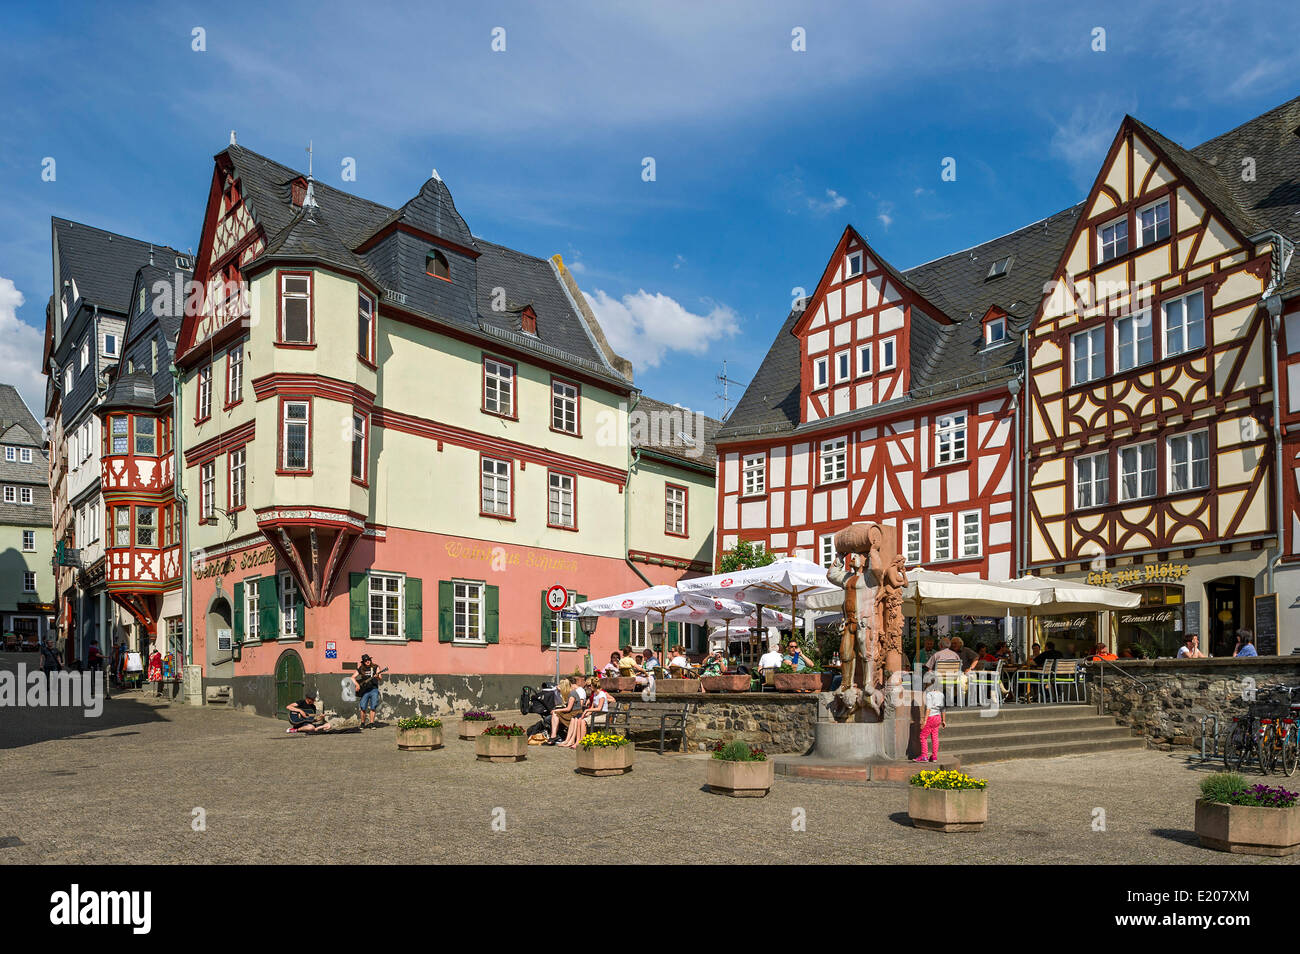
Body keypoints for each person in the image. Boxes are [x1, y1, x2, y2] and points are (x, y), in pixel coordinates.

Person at [915, 675, 946, 762]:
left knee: (923, 737)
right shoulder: (941, 694)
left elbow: (928, 708)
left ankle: (924, 756)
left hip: (931, 717)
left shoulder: (929, 694)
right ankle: (934, 756)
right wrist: (944, 720)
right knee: (935, 737)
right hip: (938, 717)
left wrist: (925, 720)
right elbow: (943, 708)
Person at [548, 675, 586, 744]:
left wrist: (557, 710)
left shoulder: (572, 693)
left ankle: (553, 736)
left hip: (575, 713)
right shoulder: (570, 692)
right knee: (555, 714)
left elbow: (568, 709)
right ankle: (553, 735)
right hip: (572, 712)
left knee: (555, 713)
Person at [353, 654, 384, 728]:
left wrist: (377, 677)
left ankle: (372, 723)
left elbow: (380, 678)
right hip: (365, 691)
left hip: (374, 689)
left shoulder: (375, 667)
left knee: (373, 706)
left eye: (368, 660)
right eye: (365, 660)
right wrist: (357, 685)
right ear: (363, 662)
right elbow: (352, 677)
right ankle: (362, 723)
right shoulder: (361, 668)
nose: (367, 661)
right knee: (363, 707)